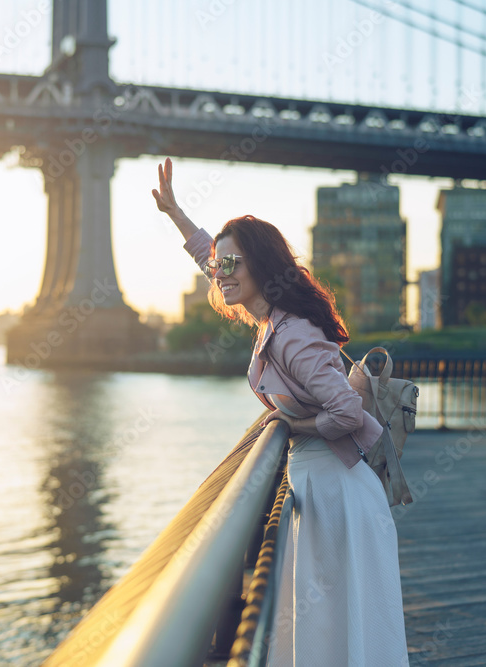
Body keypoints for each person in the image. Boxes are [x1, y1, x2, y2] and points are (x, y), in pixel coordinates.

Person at [152, 158, 409, 666]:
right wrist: (176, 214)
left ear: (262, 270)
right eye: (218, 267)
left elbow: (346, 412)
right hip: (319, 489)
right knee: (329, 629)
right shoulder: (268, 318)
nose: (220, 274)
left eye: (233, 266)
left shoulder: (291, 334)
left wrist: (291, 424)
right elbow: (211, 254)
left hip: (339, 496)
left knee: (340, 628)